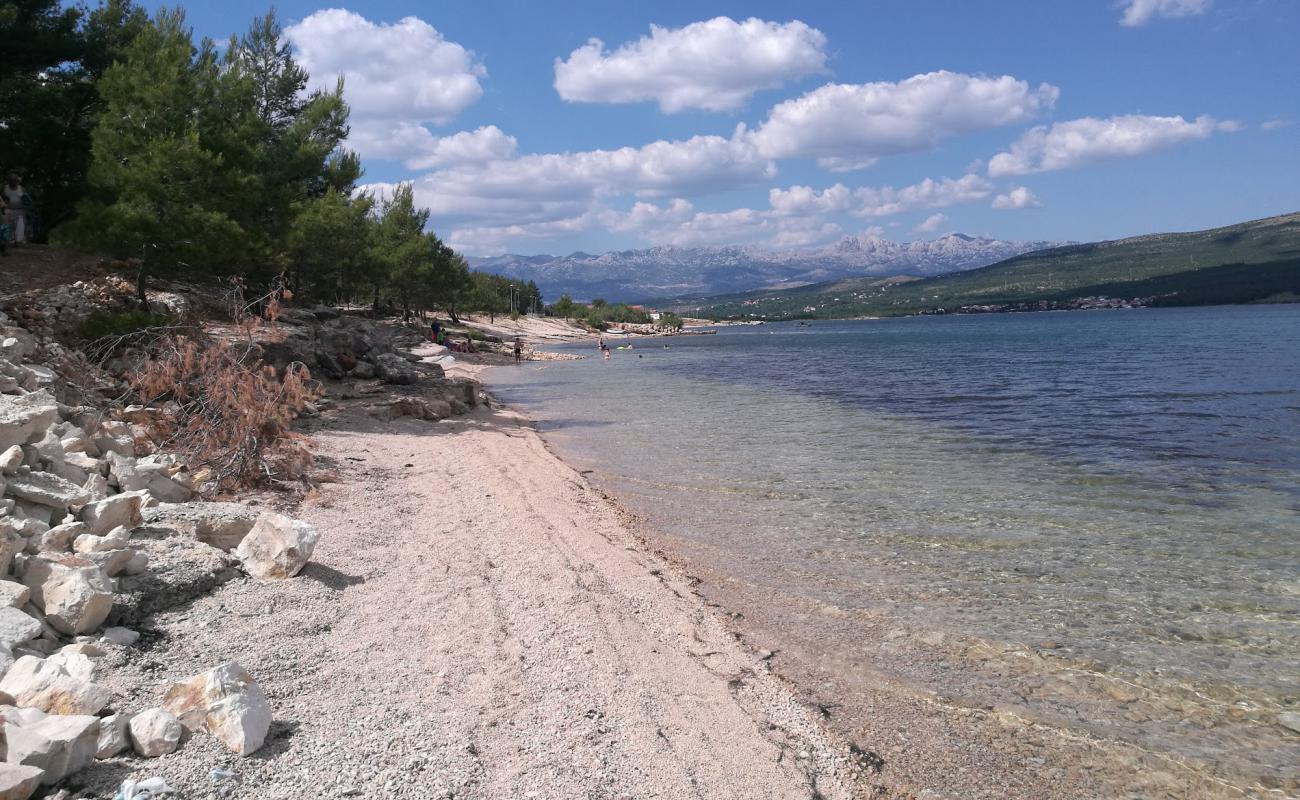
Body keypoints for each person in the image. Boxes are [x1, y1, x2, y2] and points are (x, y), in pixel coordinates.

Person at [2, 173, 28, 246]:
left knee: (20, 226)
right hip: (8, 209)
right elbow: (2, 198)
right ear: (9, 181)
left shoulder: (22, 189)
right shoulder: (5, 188)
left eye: (14, 180)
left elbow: (26, 200)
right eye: (11, 180)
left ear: (17, 181)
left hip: (19, 210)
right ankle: (10, 242)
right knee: (8, 226)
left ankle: (19, 241)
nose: (13, 182)